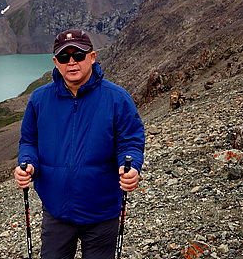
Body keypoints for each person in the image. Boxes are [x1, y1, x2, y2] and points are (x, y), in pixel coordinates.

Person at [15, 29, 145, 258]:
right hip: (56, 211)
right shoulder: (39, 99)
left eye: (78, 55)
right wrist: (28, 163)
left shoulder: (117, 98)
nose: (72, 62)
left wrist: (131, 166)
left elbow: (130, 141)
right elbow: (29, 141)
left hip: (102, 213)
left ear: (92, 57)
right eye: (64, 57)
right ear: (56, 62)